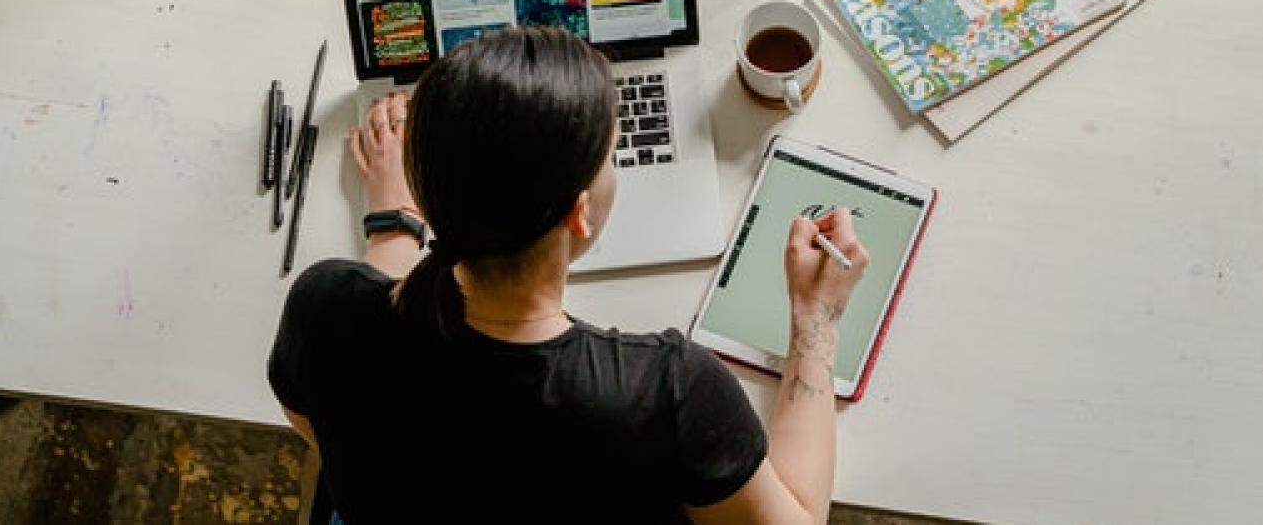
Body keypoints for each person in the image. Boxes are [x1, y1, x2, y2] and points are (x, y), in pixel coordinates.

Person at [268, 27, 869, 523]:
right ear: (579, 214)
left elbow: (317, 422)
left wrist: (392, 225)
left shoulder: (325, 310)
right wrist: (816, 321)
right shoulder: (666, 391)